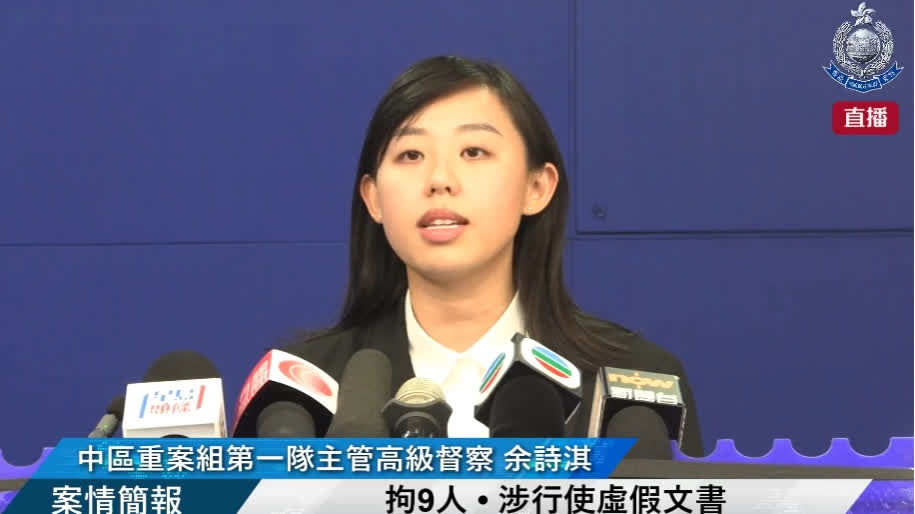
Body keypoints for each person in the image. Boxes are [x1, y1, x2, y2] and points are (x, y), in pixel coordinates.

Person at [283, 55, 703, 456]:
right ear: (373, 198)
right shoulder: (302, 393)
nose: (440, 180)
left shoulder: (639, 386)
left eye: (473, 152)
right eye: (411, 155)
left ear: (536, 187)